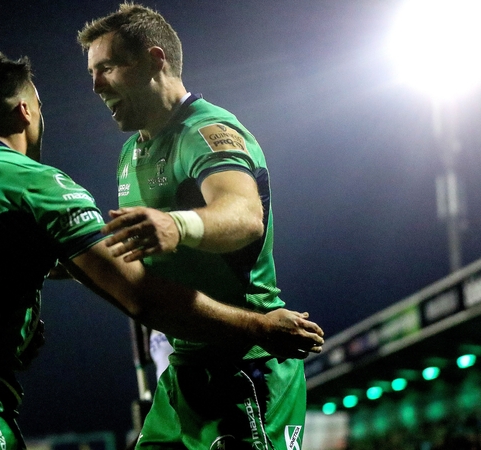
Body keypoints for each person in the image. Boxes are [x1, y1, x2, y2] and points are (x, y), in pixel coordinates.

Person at [0, 49, 324, 450]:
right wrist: (259, 326)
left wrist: (6, 327)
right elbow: (140, 297)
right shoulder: (38, 185)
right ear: (26, 111)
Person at [78, 4, 317, 449]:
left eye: (107, 67)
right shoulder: (131, 153)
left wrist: (178, 224)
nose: (94, 85)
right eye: (92, 72)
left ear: (155, 60)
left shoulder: (205, 130)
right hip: (184, 369)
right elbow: (136, 250)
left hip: (245, 363)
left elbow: (243, 216)